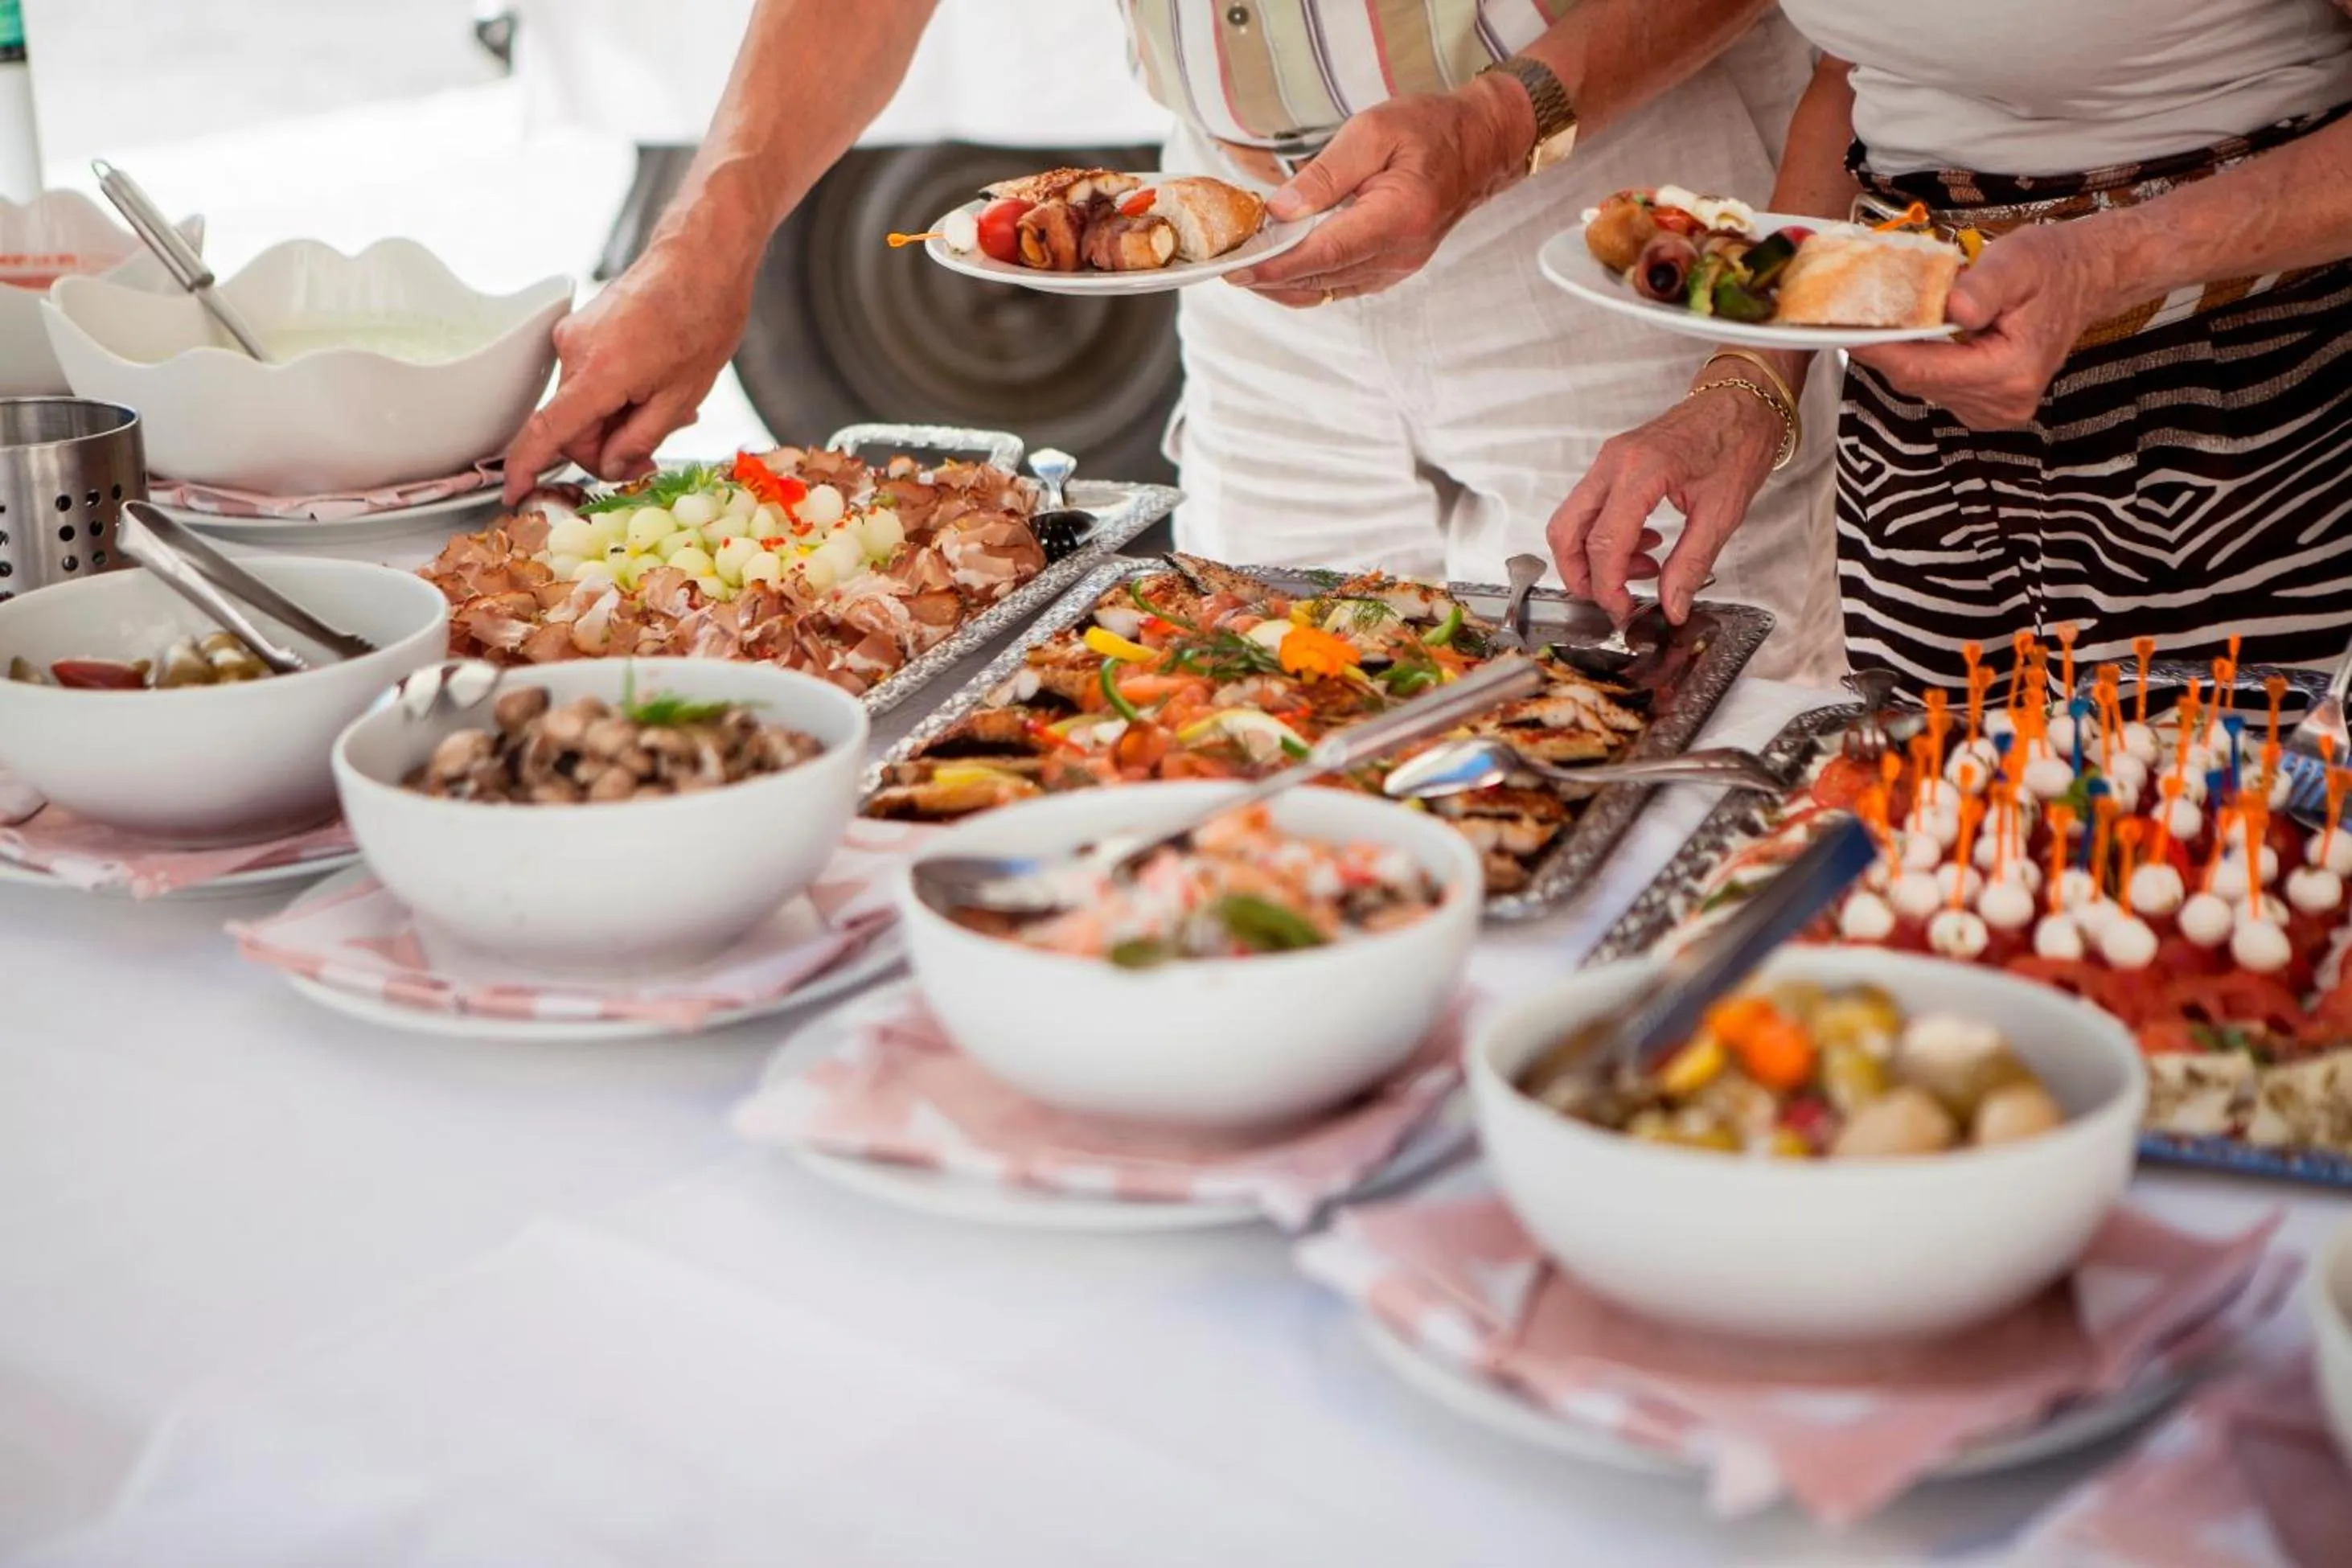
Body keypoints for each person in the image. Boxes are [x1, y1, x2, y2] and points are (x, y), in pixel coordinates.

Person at [503, 0, 1846, 680]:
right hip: (1243, 237)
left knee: (1673, 734)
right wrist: (704, 244)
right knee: (1251, 728)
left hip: (1607, 192)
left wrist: (1502, 123)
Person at [1552, 0, 2352, 691]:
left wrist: (2111, 262)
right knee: (1941, 800)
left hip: (2245, 413)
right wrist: (1750, 381)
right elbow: (1853, 75)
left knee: (2226, 805)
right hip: (1915, 442)